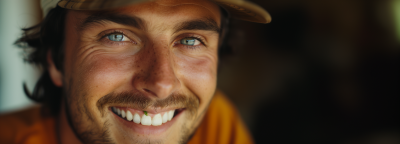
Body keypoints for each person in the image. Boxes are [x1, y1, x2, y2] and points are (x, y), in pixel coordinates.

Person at [0, 0, 271, 143]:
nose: (162, 83)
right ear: (56, 61)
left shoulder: (216, 126)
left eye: (190, 40)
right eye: (116, 36)